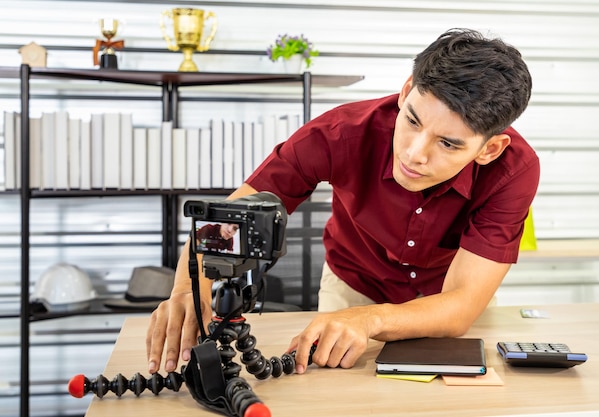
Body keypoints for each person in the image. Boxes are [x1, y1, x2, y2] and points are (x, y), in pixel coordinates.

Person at [146, 28, 539, 376]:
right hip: (352, 287)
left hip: (444, 303)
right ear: (405, 92)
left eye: (448, 143)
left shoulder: (514, 170)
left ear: (489, 149)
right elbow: (233, 216)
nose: (415, 154)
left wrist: (372, 320)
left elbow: (460, 305)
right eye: (413, 121)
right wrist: (188, 285)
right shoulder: (337, 134)